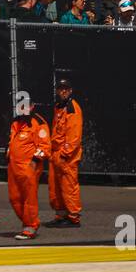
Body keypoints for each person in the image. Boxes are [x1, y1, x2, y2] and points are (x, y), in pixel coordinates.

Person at [7, 106, 50, 241]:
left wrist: (35, 161)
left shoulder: (39, 123)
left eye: (26, 106)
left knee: (29, 198)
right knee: (14, 198)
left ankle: (30, 225)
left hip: (28, 166)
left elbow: (45, 146)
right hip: (14, 166)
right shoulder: (16, 122)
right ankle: (28, 222)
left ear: (32, 107)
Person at [48, 77, 83, 227]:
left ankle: (73, 217)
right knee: (55, 188)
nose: (63, 91)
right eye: (60, 89)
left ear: (70, 91)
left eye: (66, 89)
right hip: (56, 152)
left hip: (66, 155)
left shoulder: (72, 109)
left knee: (69, 186)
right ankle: (61, 215)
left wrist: (64, 154)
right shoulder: (59, 107)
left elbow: (74, 136)